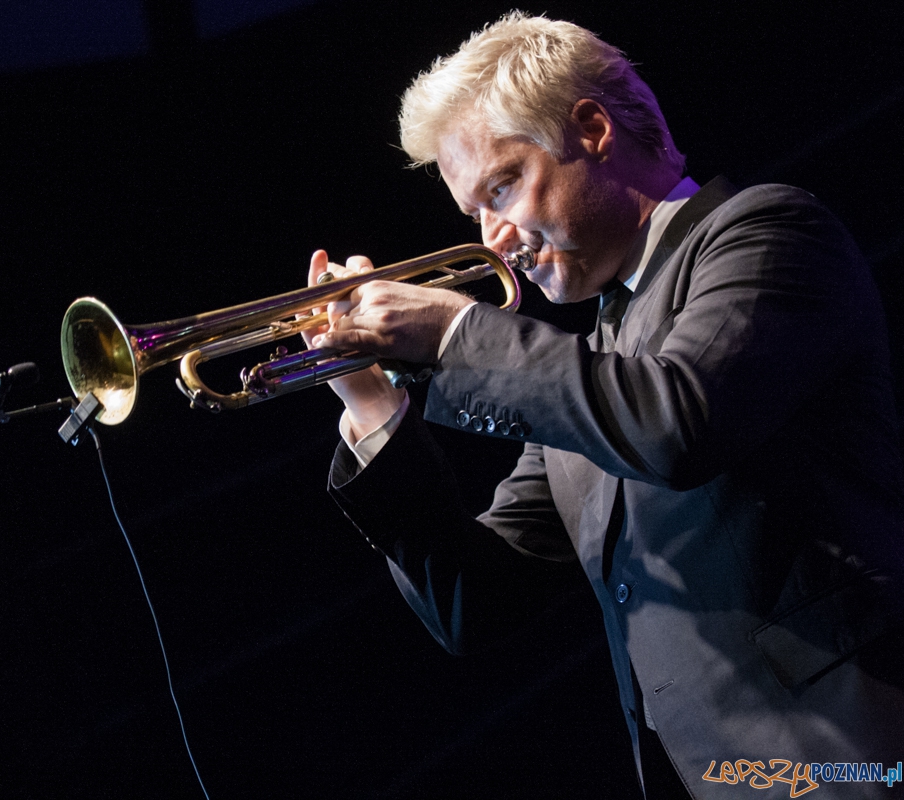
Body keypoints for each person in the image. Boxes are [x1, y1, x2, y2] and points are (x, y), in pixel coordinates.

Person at [306, 12, 904, 799]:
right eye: (473, 213)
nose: (493, 240)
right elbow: (475, 603)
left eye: (502, 186)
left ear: (590, 129)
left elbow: (677, 422)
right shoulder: (592, 363)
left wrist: (455, 332)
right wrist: (374, 408)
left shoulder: (764, 231)